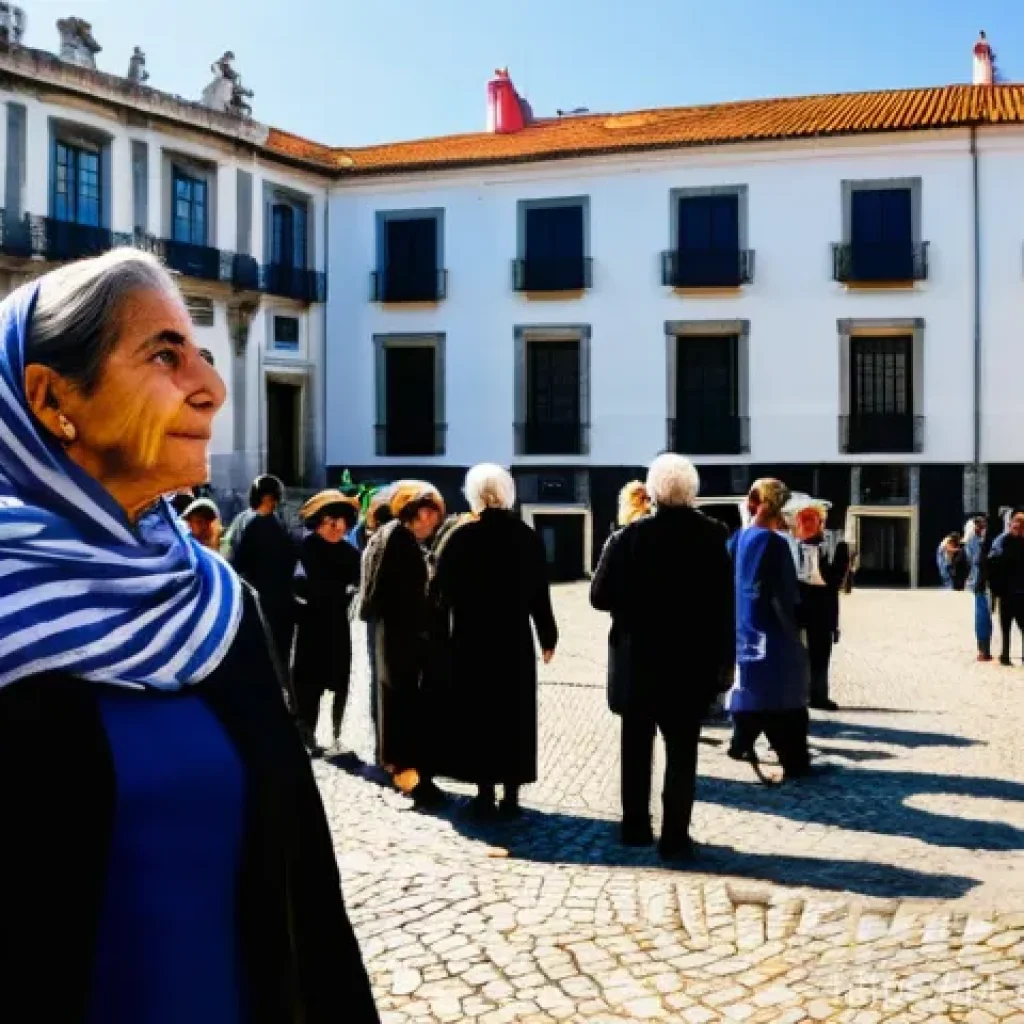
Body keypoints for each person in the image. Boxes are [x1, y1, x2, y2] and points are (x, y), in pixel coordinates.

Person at [0, 250, 379, 1022]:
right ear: (50, 397)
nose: (210, 388)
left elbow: (304, 881)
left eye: (201, 354)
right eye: (163, 355)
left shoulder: (217, 604)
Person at [591, 454, 734, 860]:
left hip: (638, 662)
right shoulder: (713, 537)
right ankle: (675, 836)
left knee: (636, 749)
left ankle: (635, 828)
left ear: (652, 492)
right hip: (690, 664)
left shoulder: (629, 538)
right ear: (693, 493)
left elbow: (599, 596)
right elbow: (724, 607)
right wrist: (725, 663)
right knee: (682, 753)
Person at [431, 464, 558, 818]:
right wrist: (547, 635)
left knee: (479, 713)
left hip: (471, 639)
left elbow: (439, 593)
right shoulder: (526, 536)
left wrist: (438, 638)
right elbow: (540, 593)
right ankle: (512, 794)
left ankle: (484, 790)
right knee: (514, 713)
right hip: (513, 639)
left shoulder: (460, 537)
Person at [359, 480, 446, 805]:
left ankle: (406, 777)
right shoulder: (400, 541)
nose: (433, 523)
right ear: (418, 513)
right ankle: (414, 784)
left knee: (397, 709)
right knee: (406, 711)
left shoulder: (391, 535)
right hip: (403, 639)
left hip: (393, 637)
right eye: (431, 515)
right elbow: (401, 595)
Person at [728, 478, 812, 780]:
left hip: (745, 629)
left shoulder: (738, 539)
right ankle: (795, 761)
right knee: (784, 698)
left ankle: (741, 741)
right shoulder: (774, 543)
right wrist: (796, 633)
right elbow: (784, 595)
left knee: (751, 691)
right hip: (773, 633)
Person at [293, 490, 362, 754]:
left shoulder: (350, 554)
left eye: (341, 522)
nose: (337, 527)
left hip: (337, 626)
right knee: (308, 683)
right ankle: (306, 734)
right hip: (309, 626)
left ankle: (336, 734)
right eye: (330, 521)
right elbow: (296, 585)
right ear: (318, 522)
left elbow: (356, 586)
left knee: (339, 679)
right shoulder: (303, 548)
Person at [224, 474, 297, 671]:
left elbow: (237, 562)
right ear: (269, 498)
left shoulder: (247, 523)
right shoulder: (276, 525)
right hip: (278, 601)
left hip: (259, 601)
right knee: (278, 657)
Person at [788, 497, 849, 711]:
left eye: (811, 520)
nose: (807, 526)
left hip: (823, 612)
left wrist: (817, 557)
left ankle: (818, 696)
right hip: (797, 610)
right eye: (803, 520)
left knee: (820, 657)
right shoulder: (791, 547)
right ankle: (798, 694)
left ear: (821, 523)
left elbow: (835, 580)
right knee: (796, 656)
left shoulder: (837, 547)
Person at [359, 485, 396, 766]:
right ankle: (385, 748)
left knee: (377, 683)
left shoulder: (371, 544)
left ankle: (379, 745)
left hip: (374, 621)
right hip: (385, 622)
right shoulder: (385, 544)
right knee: (384, 684)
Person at [987, 513, 1024, 666]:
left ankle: (1008, 656)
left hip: (1019, 592)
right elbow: (992, 565)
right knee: (1006, 627)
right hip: (1007, 592)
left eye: (1020, 527)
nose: (1017, 529)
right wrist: (995, 590)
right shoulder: (1001, 542)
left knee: (1020, 626)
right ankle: (1005, 655)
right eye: (1015, 526)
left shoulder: (1003, 541)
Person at [964, 515, 994, 662]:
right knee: (983, 616)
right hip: (982, 582)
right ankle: (984, 650)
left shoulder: (974, 540)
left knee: (983, 616)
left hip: (981, 581)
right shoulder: (976, 540)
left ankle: (984, 650)